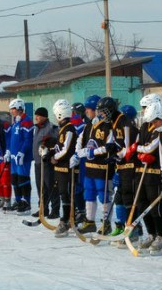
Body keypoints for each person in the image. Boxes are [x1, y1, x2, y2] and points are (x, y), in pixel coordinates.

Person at [125, 99, 162, 255]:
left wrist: (138, 149)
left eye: (146, 107)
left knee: (156, 207)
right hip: (142, 170)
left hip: (155, 172)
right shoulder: (145, 125)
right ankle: (151, 233)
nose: (144, 110)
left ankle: (161, 236)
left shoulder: (161, 126)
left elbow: (152, 147)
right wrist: (139, 151)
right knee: (142, 204)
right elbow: (139, 144)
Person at [74, 96, 114, 234]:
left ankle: (106, 223)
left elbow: (109, 146)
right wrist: (78, 153)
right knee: (88, 193)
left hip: (102, 167)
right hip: (90, 167)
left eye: (89, 109)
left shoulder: (108, 125)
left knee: (103, 194)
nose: (86, 112)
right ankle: (89, 221)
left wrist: (92, 151)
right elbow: (80, 140)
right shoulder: (89, 125)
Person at [109, 105, 140, 243]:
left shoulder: (130, 128)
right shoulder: (118, 126)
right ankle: (121, 226)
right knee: (119, 197)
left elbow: (128, 149)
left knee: (129, 198)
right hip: (122, 167)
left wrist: (117, 155)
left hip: (131, 167)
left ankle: (133, 229)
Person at [47, 100, 77, 237]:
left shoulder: (69, 129)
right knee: (62, 193)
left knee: (65, 194)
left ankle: (66, 220)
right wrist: (49, 150)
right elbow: (59, 146)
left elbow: (66, 149)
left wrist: (55, 157)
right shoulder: (63, 129)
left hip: (66, 168)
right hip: (60, 168)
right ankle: (67, 219)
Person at [4, 98, 34, 215]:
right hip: (13, 157)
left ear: (19, 109)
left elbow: (28, 140)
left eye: (13, 109)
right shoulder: (16, 122)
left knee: (23, 180)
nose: (11, 111)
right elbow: (12, 140)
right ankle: (18, 200)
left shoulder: (26, 121)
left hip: (22, 158)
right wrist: (8, 151)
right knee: (15, 180)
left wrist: (22, 152)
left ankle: (26, 202)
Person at [32, 106, 60, 220]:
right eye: (36, 115)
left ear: (44, 116)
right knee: (40, 187)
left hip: (47, 162)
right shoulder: (36, 128)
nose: (36, 117)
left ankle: (55, 209)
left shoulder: (52, 128)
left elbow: (55, 144)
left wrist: (49, 149)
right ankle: (43, 208)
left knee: (50, 186)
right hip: (38, 162)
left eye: (38, 115)